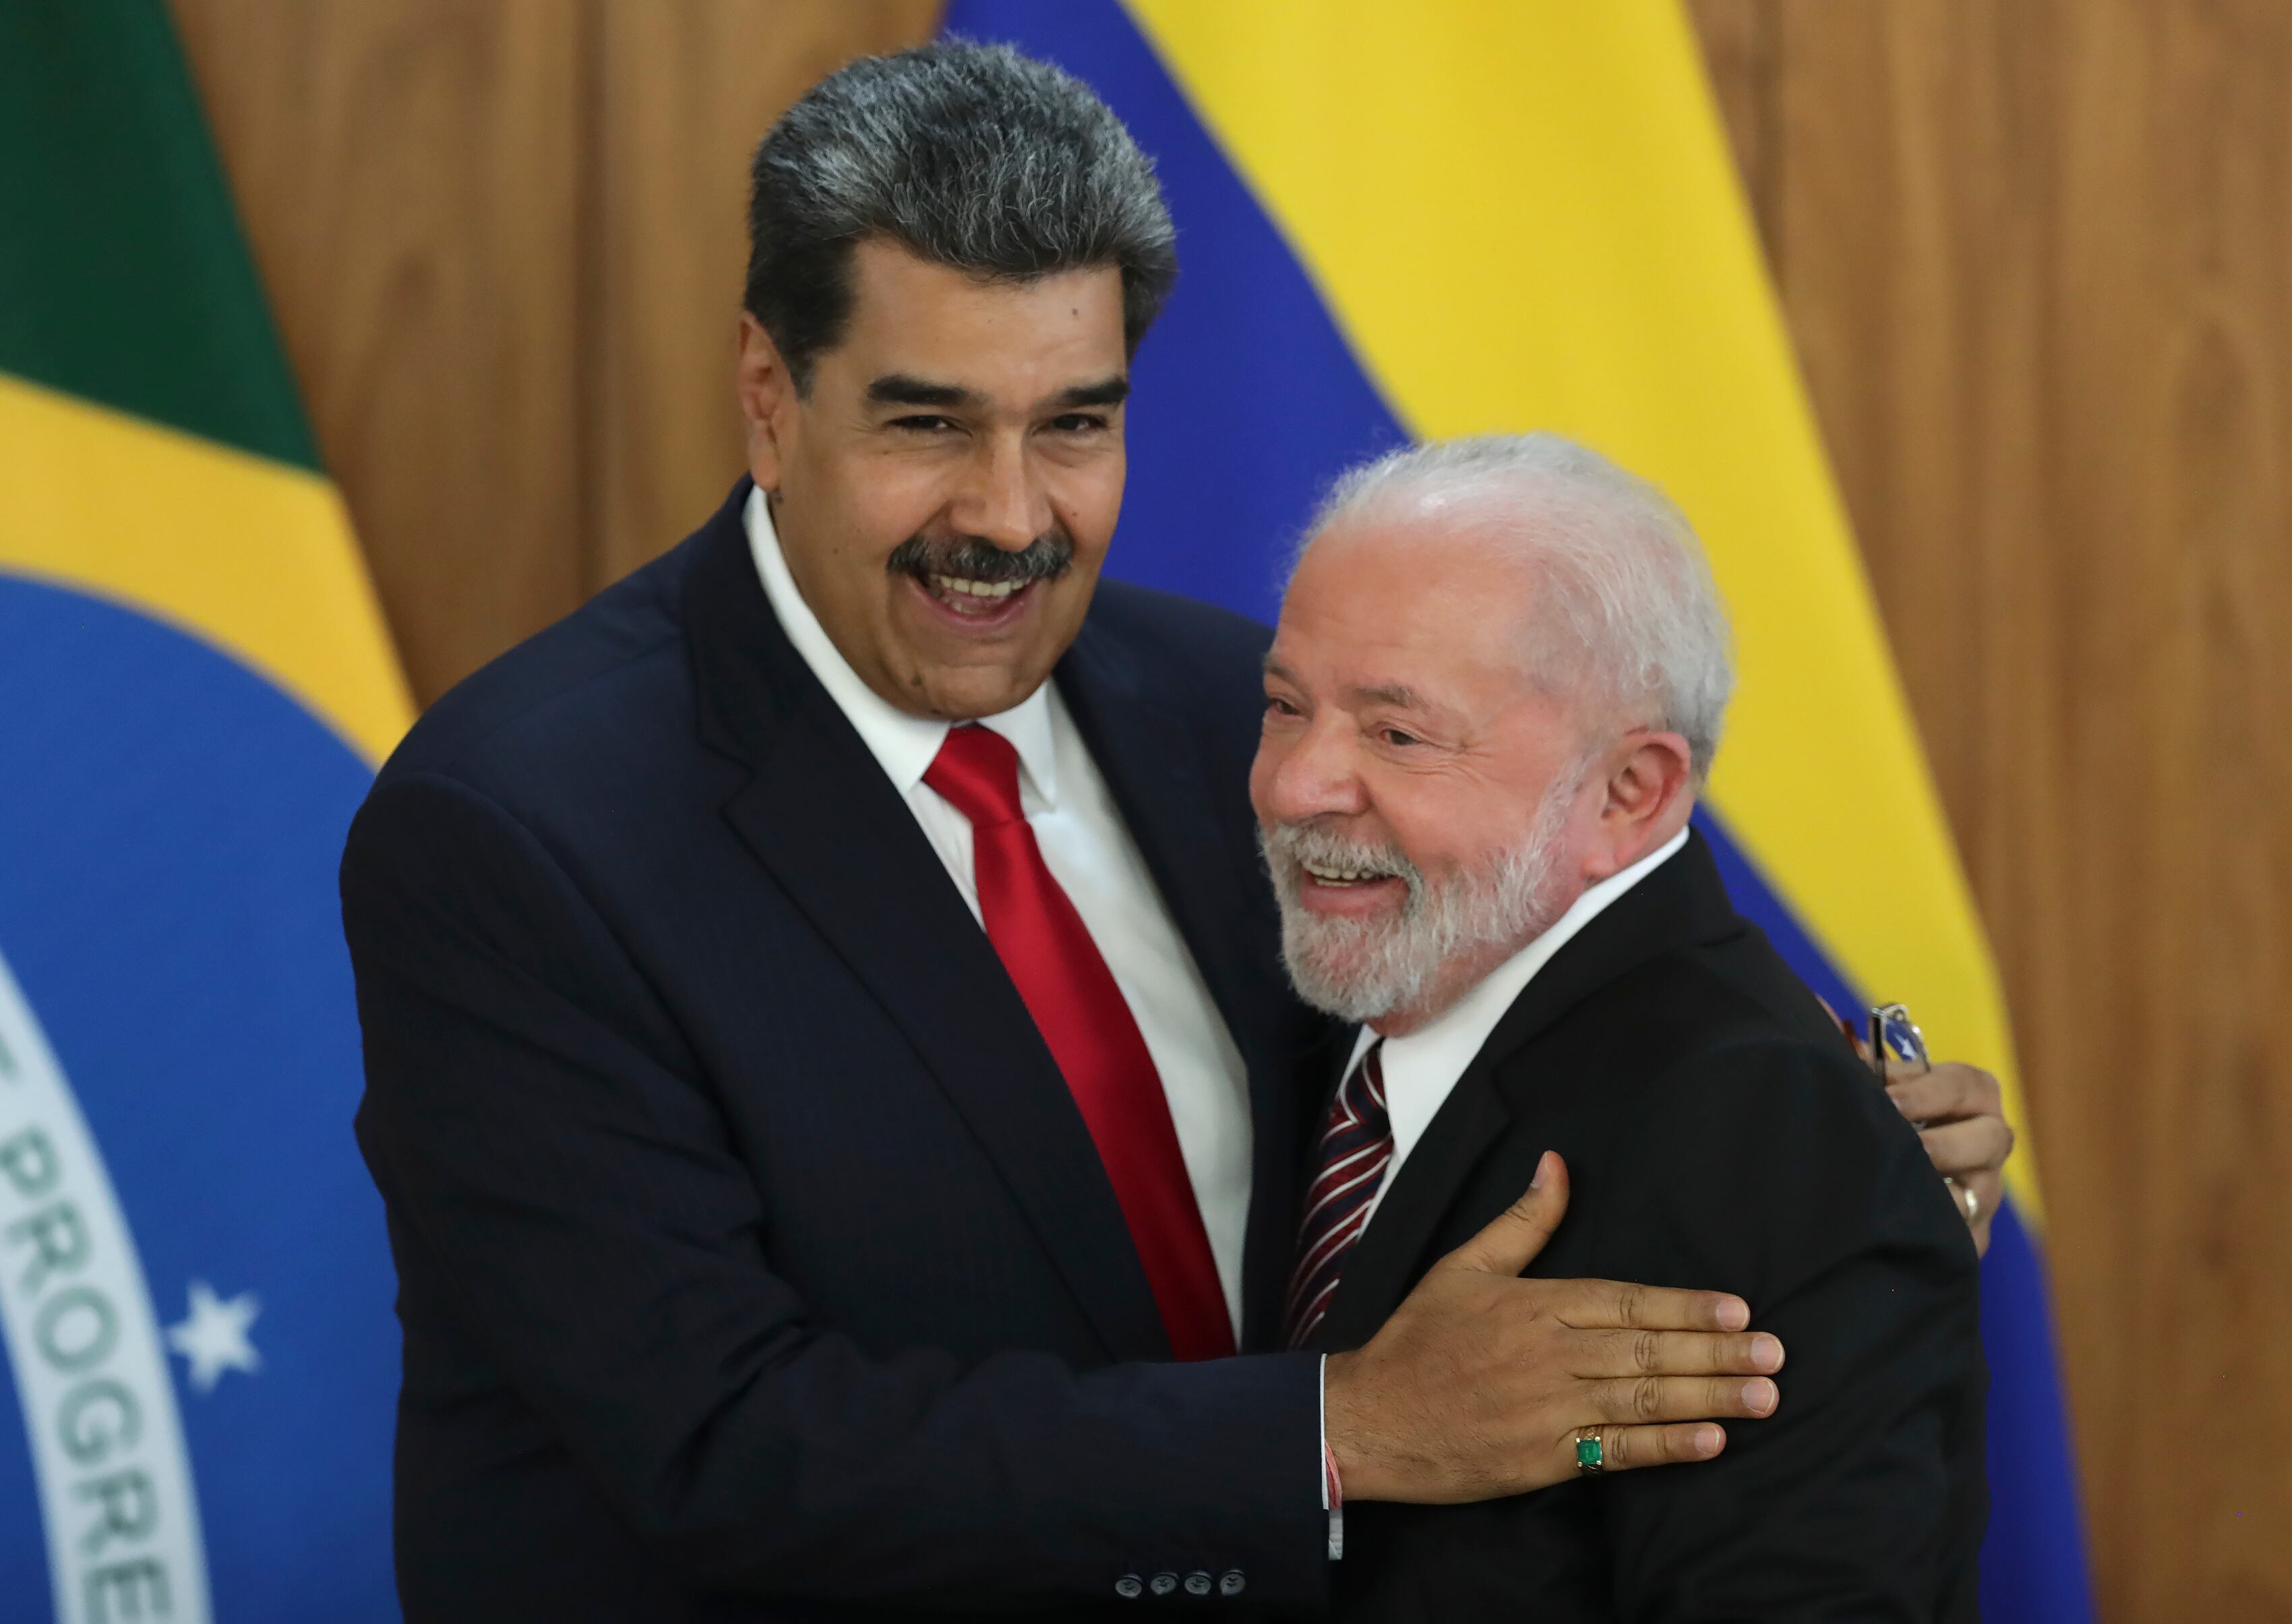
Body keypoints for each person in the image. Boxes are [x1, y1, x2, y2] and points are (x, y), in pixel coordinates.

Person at [341, 42, 2007, 1620]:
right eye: (927, 424)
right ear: (770, 398)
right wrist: (1334, 1433)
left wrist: (1800, 1146)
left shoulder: (1236, 707)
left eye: (1073, 422)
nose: (1007, 516)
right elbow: (724, 1440)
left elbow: (1537, 982)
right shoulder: (516, 830)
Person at [1256, 433, 1986, 1620]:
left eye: (1398, 734)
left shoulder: (1763, 1134)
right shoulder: (1331, 1006)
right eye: (1284, 706)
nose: (1296, 785)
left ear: (1629, 792)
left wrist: (1577, 1452)